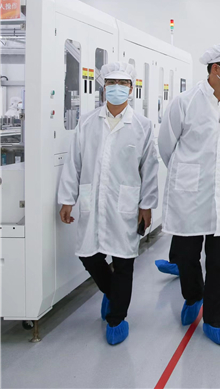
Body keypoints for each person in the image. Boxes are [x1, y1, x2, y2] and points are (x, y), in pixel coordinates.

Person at [57, 61, 159, 345]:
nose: (117, 88)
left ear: (131, 89)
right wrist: (67, 199)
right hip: (92, 198)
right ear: (103, 87)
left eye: (123, 83)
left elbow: (149, 168)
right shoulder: (88, 122)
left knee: (124, 260)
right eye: (111, 83)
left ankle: (117, 318)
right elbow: (74, 162)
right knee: (88, 254)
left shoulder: (142, 125)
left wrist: (147, 205)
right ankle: (114, 294)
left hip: (126, 202)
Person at [157, 42, 220, 346]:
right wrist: (186, 174)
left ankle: (214, 317)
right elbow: (166, 145)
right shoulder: (185, 102)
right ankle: (193, 295)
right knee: (186, 255)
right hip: (189, 194)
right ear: (215, 69)